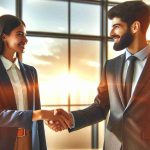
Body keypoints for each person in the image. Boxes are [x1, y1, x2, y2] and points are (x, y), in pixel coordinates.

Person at [48, 1, 150, 150]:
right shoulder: (111, 66)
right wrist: (70, 119)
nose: (110, 33)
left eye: (116, 26)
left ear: (135, 27)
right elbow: (100, 108)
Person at [0, 14, 70, 150]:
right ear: (3, 36)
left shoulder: (31, 72)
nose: (25, 40)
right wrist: (40, 114)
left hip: (30, 141)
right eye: (19, 34)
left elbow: (37, 111)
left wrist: (45, 118)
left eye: (25, 35)